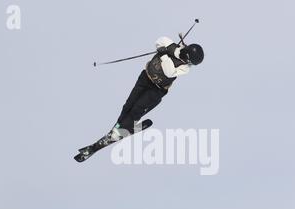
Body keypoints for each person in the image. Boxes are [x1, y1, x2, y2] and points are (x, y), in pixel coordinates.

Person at [75, 36, 204, 162]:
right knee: (128, 105)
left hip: (156, 90)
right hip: (145, 77)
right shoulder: (173, 46)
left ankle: (119, 130)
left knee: (137, 109)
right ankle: (120, 127)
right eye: (190, 61)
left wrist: (164, 54)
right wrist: (170, 50)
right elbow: (160, 40)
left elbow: (169, 71)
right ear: (187, 56)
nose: (190, 64)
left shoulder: (185, 68)